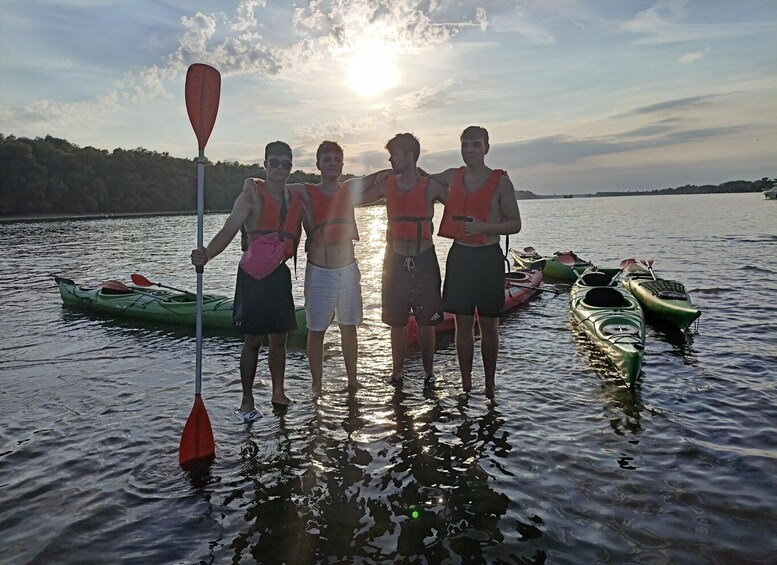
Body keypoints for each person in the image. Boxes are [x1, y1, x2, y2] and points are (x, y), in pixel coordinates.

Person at [243, 141, 380, 395]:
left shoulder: (349, 189)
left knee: (349, 327)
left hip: (348, 270)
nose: (332, 163)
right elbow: (273, 184)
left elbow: (376, 181)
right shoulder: (305, 192)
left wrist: (398, 172)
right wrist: (249, 180)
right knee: (316, 330)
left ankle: (352, 380)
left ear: (342, 164)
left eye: (336, 159)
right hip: (320, 272)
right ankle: (317, 385)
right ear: (318, 165)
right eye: (327, 159)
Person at [191, 141, 303, 421]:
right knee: (253, 340)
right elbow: (229, 229)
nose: (280, 168)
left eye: (286, 164)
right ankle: (247, 400)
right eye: (274, 162)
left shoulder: (293, 196)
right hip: (253, 276)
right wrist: (207, 255)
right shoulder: (250, 195)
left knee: (279, 338)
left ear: (291, 167)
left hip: (278, 274)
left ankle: (278, 392)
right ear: (265, 164)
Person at [429, 126, 522, 398]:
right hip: (460, 257)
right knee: (463, 325)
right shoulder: (451, 176)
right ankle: (466, 384)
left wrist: (484, 227)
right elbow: (422, 178)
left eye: (476, 144)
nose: (470, 150)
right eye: (465, 145)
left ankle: (490, 386)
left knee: (490, 325)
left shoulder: (501, 182)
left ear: (486, 148)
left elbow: (515, 223)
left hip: (488, 258)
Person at [358, 133, 448, 384]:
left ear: (409, 155)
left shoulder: (431, 185)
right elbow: (355, 197)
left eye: (394, 154)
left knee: (426, 322)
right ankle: (397, 373)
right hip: (395, 261)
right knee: (396, 322)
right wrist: (377, 175)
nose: (390, 159)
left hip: (424, 259)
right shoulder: (386, 184)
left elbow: (461, 202)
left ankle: (429, 373)